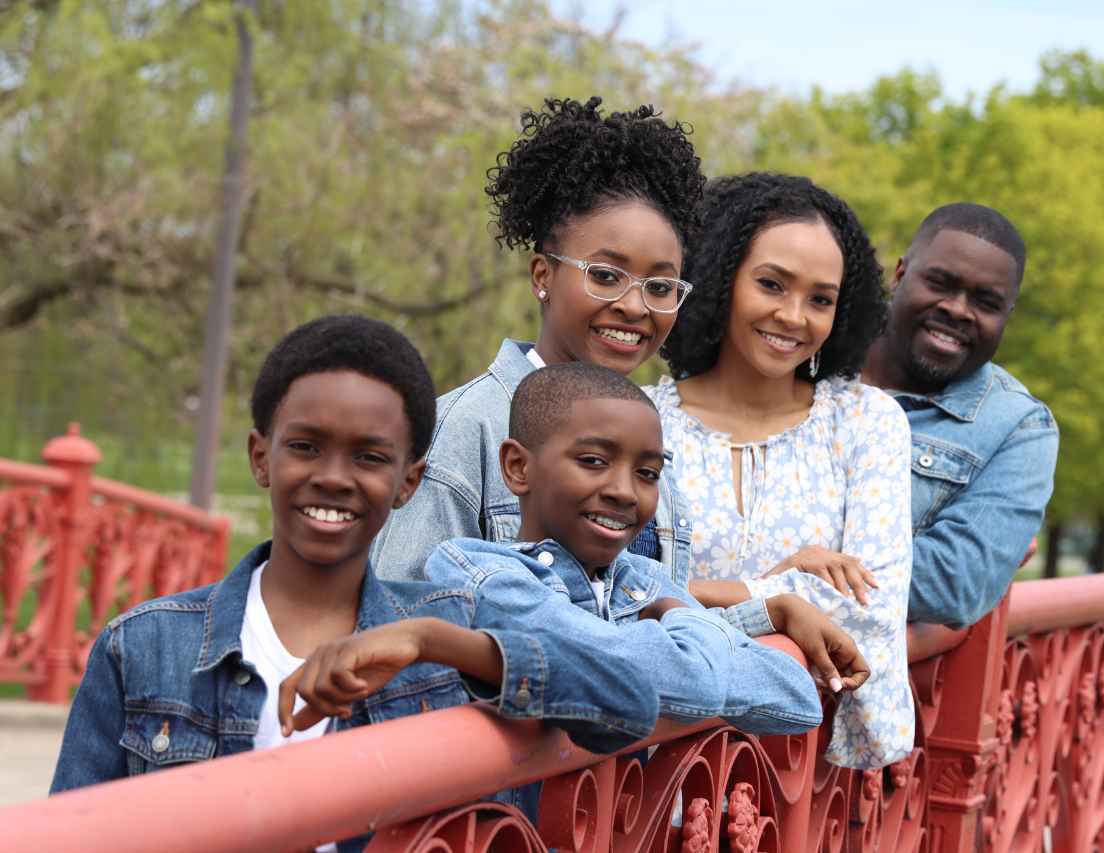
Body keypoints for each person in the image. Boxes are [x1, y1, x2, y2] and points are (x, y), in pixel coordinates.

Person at [50, 316, 660, 852]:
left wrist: (427, 641)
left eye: (369, 457)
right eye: (306, 447)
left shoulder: (455, 623)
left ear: (408, 482)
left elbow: (630, 703)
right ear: (261, 458)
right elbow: (69, 832)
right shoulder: (144, 646)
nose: (334, 477)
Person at [291, 362, 850, 819]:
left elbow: (795, 699)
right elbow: (671, 681)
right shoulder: (482, 575)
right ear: (518, 467)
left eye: (648, 473)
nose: (623, 491)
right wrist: (683, 614)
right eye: (593, 461)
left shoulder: (643, 581)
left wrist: (676, 612)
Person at [371, 95, 704, 588]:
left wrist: (763, 610)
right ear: (543, 275)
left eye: (659, 287)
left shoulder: (648, 447)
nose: (635, 307)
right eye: (607, 276)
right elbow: (399, 614)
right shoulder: (466, 431)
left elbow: (642, 622)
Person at [649, 173, 914, 769]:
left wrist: (716, 592)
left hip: (797, 782)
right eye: (772, 284)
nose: (794, 316)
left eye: (821, 298)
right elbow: (603, 595)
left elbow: (870, 610)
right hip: (647, 776)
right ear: (721, 281)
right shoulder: (640, 422)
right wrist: (785, 590)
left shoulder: (866, 423)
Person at [859, 203, 1059, 629]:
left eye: (986, 302)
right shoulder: (807, 340)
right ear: (899, 276)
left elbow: (956, 584)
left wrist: (778, 564)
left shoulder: (1020, 429)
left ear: (1007, 315)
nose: (958, 309)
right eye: (940, 283)